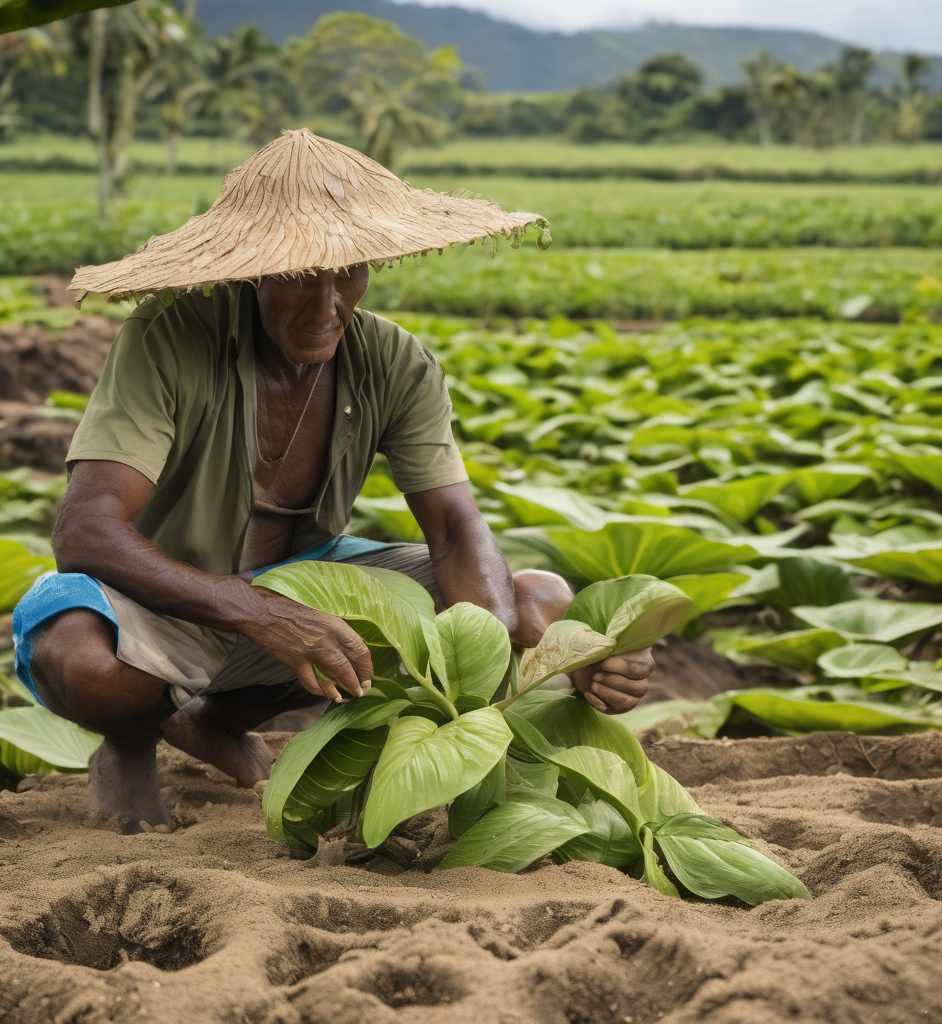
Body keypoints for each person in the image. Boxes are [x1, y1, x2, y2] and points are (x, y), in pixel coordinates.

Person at [11, 130, 654, 832]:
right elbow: (85, 530)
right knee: (79, 657)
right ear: (253, 267)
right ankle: (131, 741)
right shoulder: (171, 337)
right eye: (298, 273)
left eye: (347, 272)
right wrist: (259, 611)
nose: (326, 303)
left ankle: (216, 722)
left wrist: (521, 659)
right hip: (165, 595)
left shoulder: (394, 362)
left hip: (306, 582)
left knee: (541, 603)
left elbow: (453, 527)